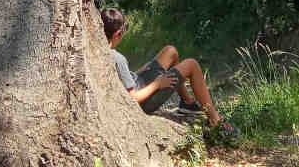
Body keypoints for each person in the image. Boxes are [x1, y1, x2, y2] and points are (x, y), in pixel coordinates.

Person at [100, 7, 239, 142]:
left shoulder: (102, 52)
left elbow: (125, 81)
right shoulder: (118, 59)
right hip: (143, 101)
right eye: (123, 32)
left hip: (139, 83)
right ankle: (216, 120)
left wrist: (142, 71)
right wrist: (158, 83)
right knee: (191, 64)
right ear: (117, 34)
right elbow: (132, 98)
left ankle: (187, 103)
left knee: (170, 51)